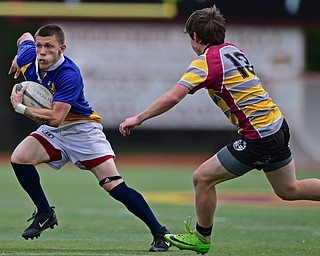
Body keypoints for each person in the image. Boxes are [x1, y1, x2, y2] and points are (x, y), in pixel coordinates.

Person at [119, 5, 320, 255]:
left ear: (195, 37)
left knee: (202, 178)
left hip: (259, 136)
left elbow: (173, 97)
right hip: (278, 126)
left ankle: (202, 239)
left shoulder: (205, 63)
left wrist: (138, 118)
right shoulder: (234, 50)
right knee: (289, 190)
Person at [8, 24, 170, 252]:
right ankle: (45, 213)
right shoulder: (29, 55)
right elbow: (24, 36)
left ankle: (159, 232)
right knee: (19, 158)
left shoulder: (68, 74)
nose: (42, 51)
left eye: (49, 46)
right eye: (39, 46)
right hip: (55, 130)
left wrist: (21, 108)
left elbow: (55, 118)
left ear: (62, 48)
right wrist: (18, 56)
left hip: (81, 130)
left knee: (113, 185)